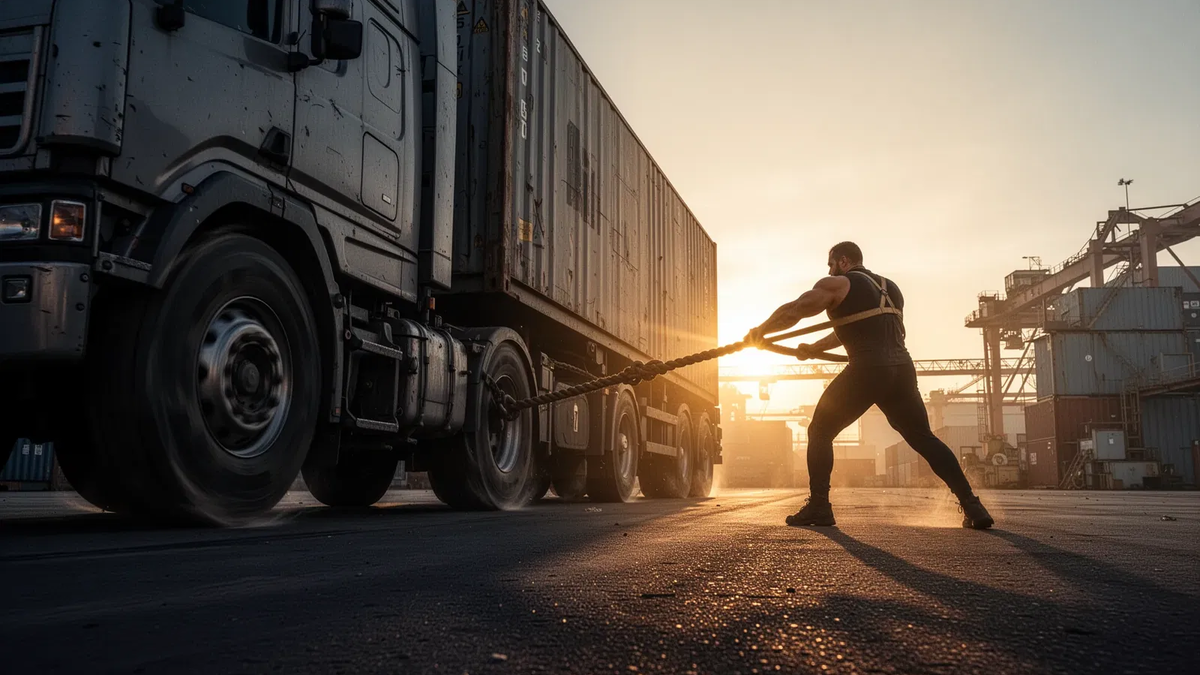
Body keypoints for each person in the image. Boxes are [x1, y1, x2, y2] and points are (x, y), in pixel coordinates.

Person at [745, 242, 994, 529]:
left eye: (830, 264)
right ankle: (972, 506)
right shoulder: (891, 289)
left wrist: (759, 332)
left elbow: (797, 309)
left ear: (842, 260)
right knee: (924, 438)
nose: (828, 270)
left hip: (867, 368)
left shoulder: (838, 283)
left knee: (820, 430)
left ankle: (819, 507)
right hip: (901, 370)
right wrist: (813, 348)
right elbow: (859, 325)